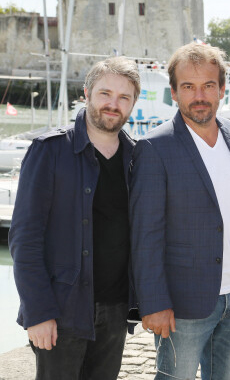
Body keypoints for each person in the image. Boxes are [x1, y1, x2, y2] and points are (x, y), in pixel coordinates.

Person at [129, 42, 230, 380]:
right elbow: (146, 234)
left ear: (221, 89)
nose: (199, 95)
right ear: (174, 92)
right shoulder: (154, 148)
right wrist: (154, 303)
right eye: (188, 86)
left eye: (208, 85)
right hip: (182, 303)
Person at [9, 56, 140, 379]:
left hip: (115, 310)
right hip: (61, 308)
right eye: (105, 94)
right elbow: (25, 239)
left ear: (133, 104)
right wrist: (38, 313)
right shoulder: (49, 150)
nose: (113, 104)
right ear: (86, 94)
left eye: (124, 97)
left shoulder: (137, 157)